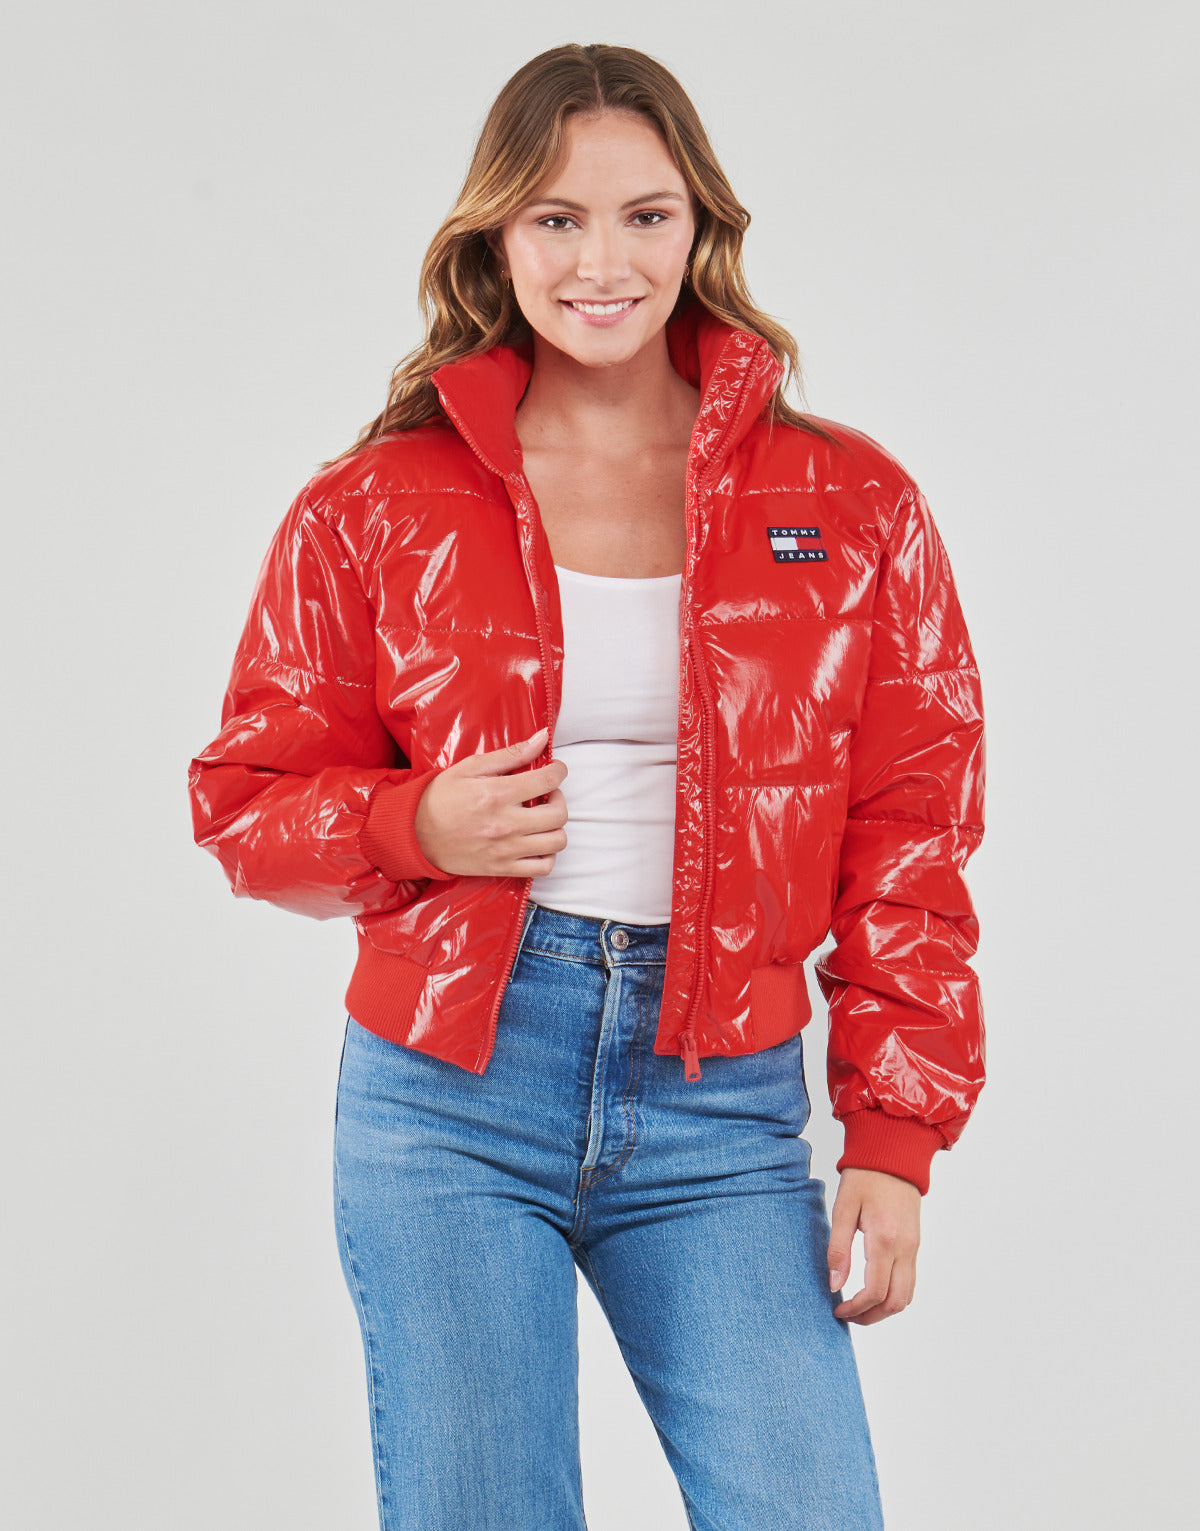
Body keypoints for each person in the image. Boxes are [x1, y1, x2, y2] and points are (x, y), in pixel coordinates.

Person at [187, 41, 985, 1531]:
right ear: (497, 236)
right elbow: (245, 802)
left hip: (721, 1098)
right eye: (556, 218)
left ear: (700, 228)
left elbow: (912, 829)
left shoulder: (851, 501)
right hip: (452, 1091)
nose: (602, 262)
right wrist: (410, 821)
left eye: (645, 216)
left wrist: (894, 1135)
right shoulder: (374, 504)